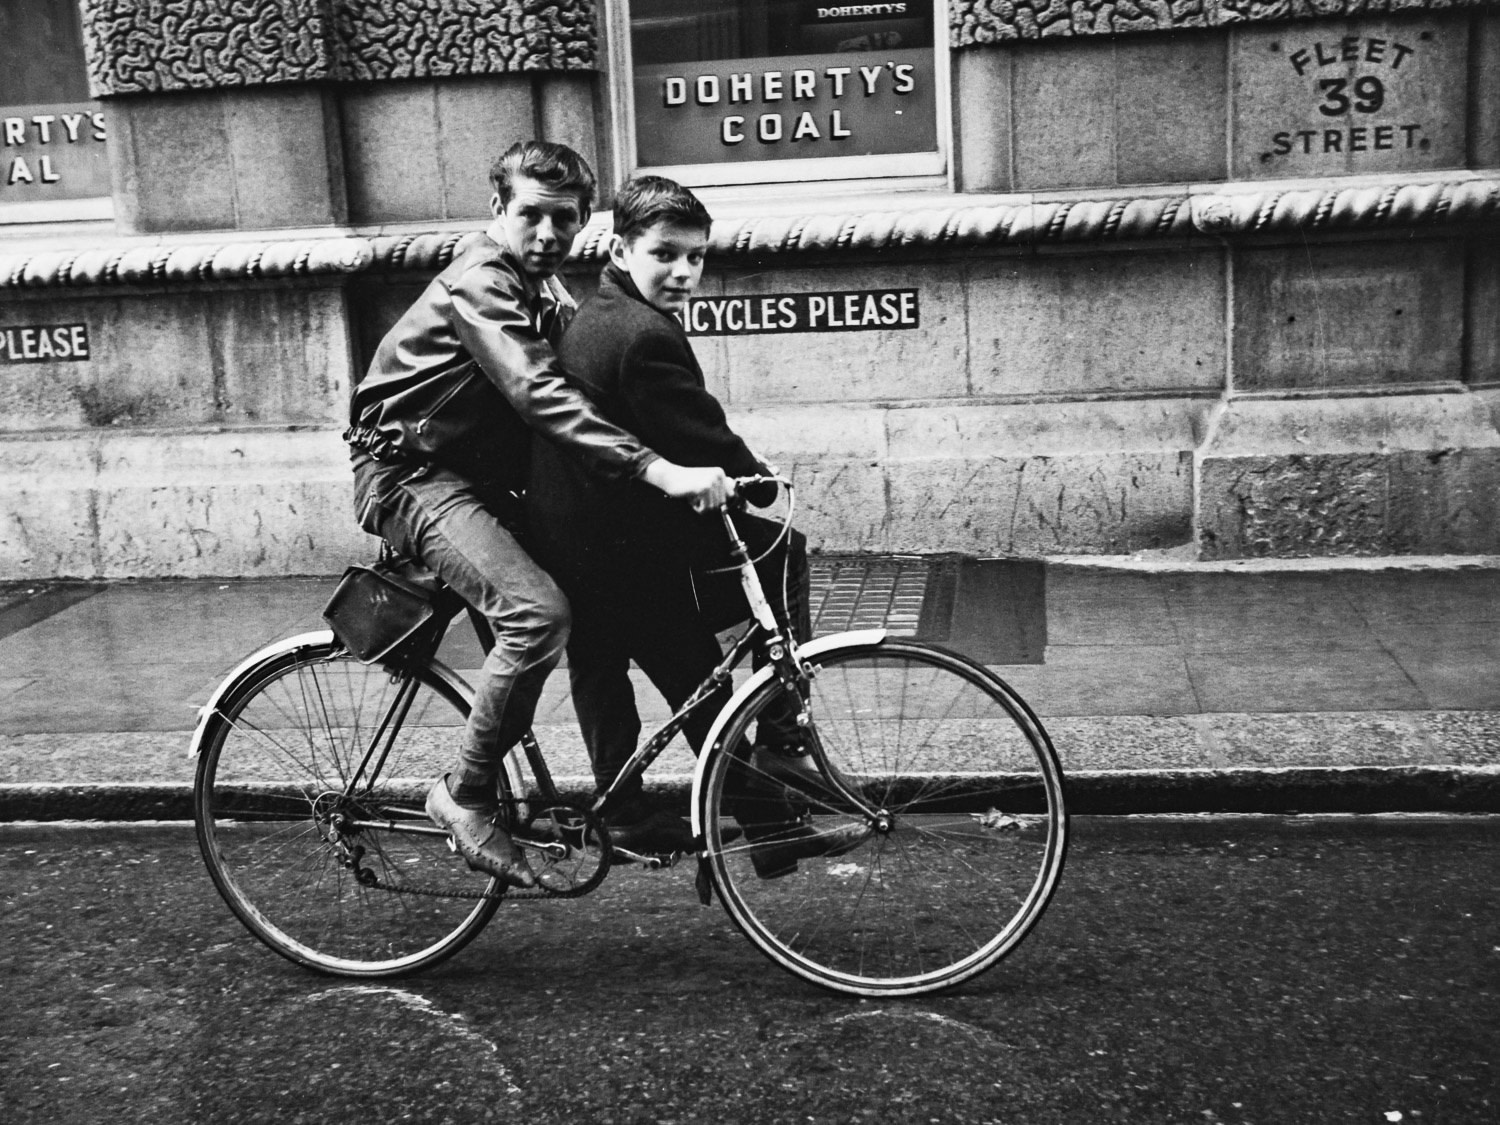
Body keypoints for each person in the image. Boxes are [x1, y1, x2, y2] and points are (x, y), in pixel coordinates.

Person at [345, 143, 731, 889]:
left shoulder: (543, 286)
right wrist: (656, 467)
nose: (549, 232)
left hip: (480, 480)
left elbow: (585, 386)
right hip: (412, 475)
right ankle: (464, 796)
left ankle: (601, 805)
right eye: (532, 214)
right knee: (535, 613)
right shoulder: (482, 282)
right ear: (499, 212)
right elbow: (539, 394)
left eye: (565, 218)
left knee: (590, 604)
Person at [527, 175, 866, 876]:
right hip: (611, 542)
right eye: (666, 254)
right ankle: (779, 739)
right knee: (767, 563)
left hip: (576, 530)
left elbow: (669, 423)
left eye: (697, 256)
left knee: (608, 668)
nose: (683, 271)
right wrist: (755, 475)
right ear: (621, 247)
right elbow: (696, 429)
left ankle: (631, 810)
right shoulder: (641, 333)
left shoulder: (606, 309)